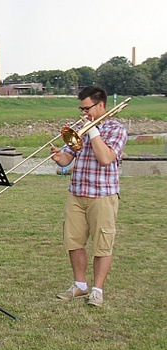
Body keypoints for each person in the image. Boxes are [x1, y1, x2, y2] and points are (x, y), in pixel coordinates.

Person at [52, 85, 127, 307]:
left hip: (103, 194)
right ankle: (80, 285)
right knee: (73, 241)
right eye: (81, 108)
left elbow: (106, 158)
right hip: (77, 193)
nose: (84, 113)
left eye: (87, 108)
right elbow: (67, 159)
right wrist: (59, 158)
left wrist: (92, 131)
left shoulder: (116, 129)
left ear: (101, 104)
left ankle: (97, 289)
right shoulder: (79, 127)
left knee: (102, 243)